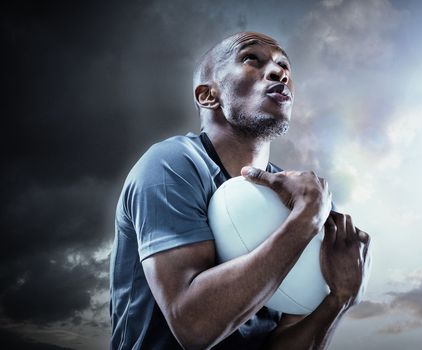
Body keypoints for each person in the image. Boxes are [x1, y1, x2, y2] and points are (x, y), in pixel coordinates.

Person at [109, 31, 371, 350]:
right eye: (251, 59)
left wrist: (339, 300)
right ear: (208, 95)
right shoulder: (170, 165)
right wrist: (304, 222)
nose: (279, 72)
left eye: (283, 65)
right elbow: (193, 326)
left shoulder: (299, 197)